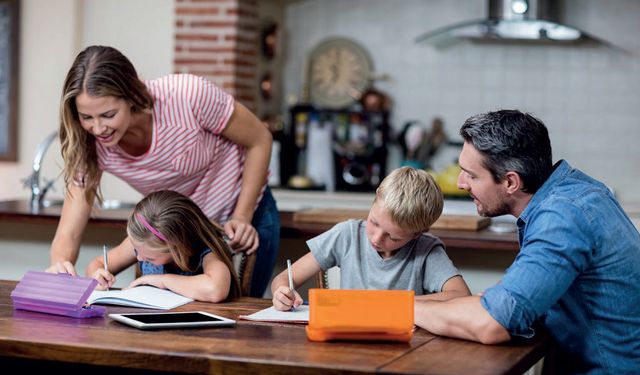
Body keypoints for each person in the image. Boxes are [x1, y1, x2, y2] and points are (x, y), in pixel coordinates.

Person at [414, 110, 640, 374]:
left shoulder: (562, 217)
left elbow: (492, 323)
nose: (460, 183)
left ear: (511, 182)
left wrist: (401, 310)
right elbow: (505, 303)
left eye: (471, 175)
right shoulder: (575, 191)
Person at [47, 45, 279, 297]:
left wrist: (242, 216)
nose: (98, 128)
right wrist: (60, 267)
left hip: (242, 217)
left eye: (108, 114)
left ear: (131, 95)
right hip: (174, 235)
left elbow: (260, 139)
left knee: (240, 316)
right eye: (86, 117)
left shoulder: (188, 96)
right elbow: (69, 230)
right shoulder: (89, 142)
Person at [271, 166, 471, 311]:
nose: (376, 238)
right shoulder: (347, 234)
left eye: (393, 237)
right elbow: (284, 278)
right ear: (375, 198)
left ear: (418, 233)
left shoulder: (426, 250)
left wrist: (393, 303)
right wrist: (281, 293)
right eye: (374, 222)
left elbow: (460, 295)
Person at [87, 190, 241, 302]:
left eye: (149, 257)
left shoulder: (206, 254)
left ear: (178, 248)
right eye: (136, 251)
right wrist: (97, 276)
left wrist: (162, 280)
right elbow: (97, 264)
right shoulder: (142, 243)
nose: (139, 257)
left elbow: (215, 289)